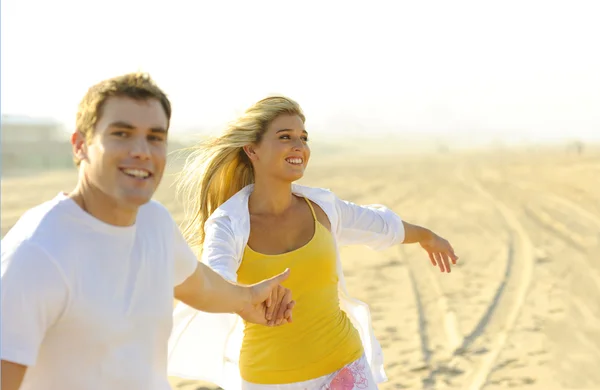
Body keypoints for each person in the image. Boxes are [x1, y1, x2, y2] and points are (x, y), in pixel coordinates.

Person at [0, 73, 295, 390]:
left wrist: (246, 298)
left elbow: (197, 284)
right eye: (122, 134)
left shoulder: (154, 221)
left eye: (155, 137)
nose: (142, 150)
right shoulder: (36, 253)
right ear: (80, 146)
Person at [167, 96, 459, 389]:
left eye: (303, 138)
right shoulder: (228, 224)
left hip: (344, 367)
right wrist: (245, 300)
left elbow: (381, 225)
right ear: (252, 149)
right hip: (269, 380)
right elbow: (215, 280)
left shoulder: (322, 207)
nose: (299, 147)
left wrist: (427, 236)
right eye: (285, 137)